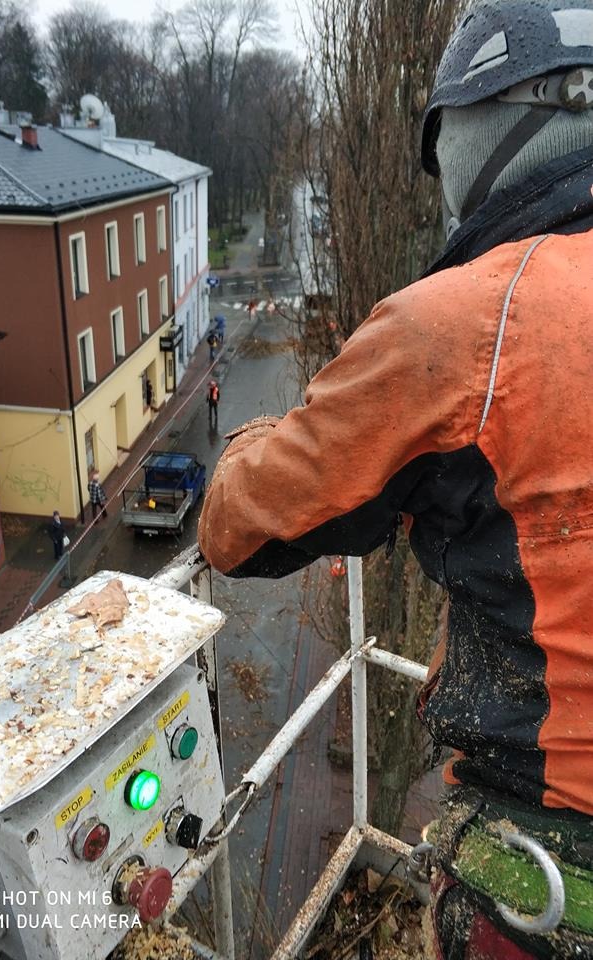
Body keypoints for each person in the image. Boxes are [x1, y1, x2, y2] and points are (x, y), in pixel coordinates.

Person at [198, 3, 593, 957]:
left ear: (482, 132)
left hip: (554, 870)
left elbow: (239, 526)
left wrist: (257, 430)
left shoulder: (464, 324)